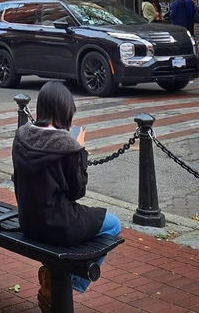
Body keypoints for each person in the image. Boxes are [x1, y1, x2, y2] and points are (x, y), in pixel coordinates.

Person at [12, 81, 121, 294]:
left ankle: (57, 279)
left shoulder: (21, 136)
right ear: (65, 110)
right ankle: (67, 283)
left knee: (95, 220)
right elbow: (77, 192)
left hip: (28, 222)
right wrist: (80, 150)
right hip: (59, 225)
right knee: (114, 225)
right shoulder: (67, 146)